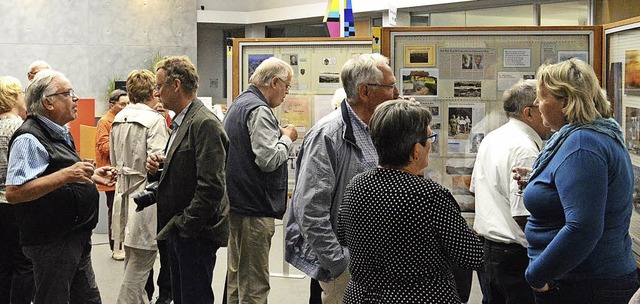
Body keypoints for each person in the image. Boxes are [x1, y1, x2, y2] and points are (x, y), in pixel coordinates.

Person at [337, 100, 483, 303]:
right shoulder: (430, 196)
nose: (431, 143)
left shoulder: (356, 186)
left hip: (362, 297)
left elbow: (343, 236)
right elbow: (471, 254)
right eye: (429, 137)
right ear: (415, 150)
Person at [522, 58, 639, 303]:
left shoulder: (583, 144)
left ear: (565, 102)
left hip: (586, 286)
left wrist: (536, 275)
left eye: (542, 97)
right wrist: (538, 182)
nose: (536, 103)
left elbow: (583, 228)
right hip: (585, 281)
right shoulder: (592, 135)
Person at [285, 53, 399, 304]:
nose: (396, 93)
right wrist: (339, 263)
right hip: (346, 267)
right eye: (390, 86)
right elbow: (310, 209)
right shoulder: (329, 135)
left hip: (374, 265)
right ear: (365, 91)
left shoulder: (375, 129)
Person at [5, 69, 116, 303]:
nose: (75, 98)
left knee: (88, 299)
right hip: (52, 241)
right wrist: (67, 175)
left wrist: (92, 175)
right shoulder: (28, 138)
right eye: (68, 93)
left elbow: (54, 172)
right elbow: (15, 192)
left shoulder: (59, 132)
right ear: (48, 102)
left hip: (73, 235)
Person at [145, 55, 229, 304]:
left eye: (159, 86)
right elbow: (189, 170)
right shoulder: (181, 122)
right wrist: (159, 169)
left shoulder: (204, 123)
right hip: (180, 230)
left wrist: (185, 227)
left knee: (194, 297)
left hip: (194, 234)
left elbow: (211, 186)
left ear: (176, 84)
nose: (156, 93)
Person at [223, 57, 298, 303]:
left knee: (236, 280)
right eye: (286, 87)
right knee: (254, 284)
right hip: (255, 208)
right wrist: (287, 138)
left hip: (237, 204)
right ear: (274, 82)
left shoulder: (239, 103)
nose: (286, 94)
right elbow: (268, 159)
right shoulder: (260, 110)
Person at [470, 80, 549, 304]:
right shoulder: (525, 148)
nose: (546, 112)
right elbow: (524, 213)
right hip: (515, 258)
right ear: (528, 112)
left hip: (489, 250)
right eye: (541, 104)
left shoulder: (493, 137)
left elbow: (475, 188)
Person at [110, 70, 169, 303]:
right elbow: (159, 162)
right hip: (145, 195)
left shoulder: (117, 118)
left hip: (122, 192)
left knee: (131, 260)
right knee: (140, 265)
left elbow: (114, 162)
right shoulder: (154, 120)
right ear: (153, 91)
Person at [0, 76, 33, 304]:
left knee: (2, 263)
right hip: (16, 203)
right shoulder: (20, 130)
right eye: (21, 93)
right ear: (13, 97)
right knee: (24, 263)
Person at [95, 89, 129, 261]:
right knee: (114, 212)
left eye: (127, 104)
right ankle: (116, 246)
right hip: (110, 175)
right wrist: (124, 143)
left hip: (123, 173)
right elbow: (104, 147)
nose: (126, 107)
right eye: (122, 104)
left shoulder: (123, 120)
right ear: (112, 105)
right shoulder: (105, 122)